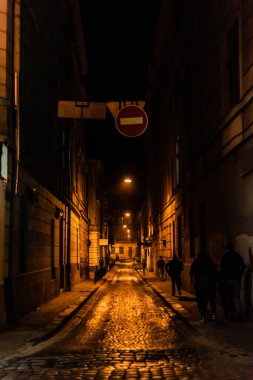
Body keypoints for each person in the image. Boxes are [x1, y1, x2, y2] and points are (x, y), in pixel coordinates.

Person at [190, 251, 218, 322]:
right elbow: (215, 273)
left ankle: (202, 316)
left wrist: (191, 280)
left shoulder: (196, 261)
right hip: (210, 285)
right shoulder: (210, 262)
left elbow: (191, 272)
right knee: (212, 300)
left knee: (201, 301)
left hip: (200, 285)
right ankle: (214, 315)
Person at [220, 243, 246, 321]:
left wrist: (223, 278)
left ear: (227, 249)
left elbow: (222, 269)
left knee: (229, 297)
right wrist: (239, 274)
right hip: (236, 279)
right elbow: (243, 266)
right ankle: (238, 313)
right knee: (236, 297)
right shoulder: (237, 255)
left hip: (227, 279)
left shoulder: (225, 256)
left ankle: (230, 314)